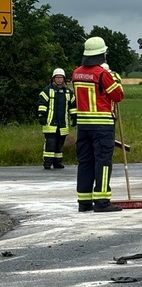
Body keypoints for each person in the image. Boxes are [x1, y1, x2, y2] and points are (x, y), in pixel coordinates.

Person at [73, 37, 125, 212]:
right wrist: (116, 80)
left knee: (85, 162)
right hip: (102, 125)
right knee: (102, 162)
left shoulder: (76, 73)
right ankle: (102, 201)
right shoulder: (103, 74)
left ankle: (84, 202)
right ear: (101, 54)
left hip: (83, 125)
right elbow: (117, 95)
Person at [37, 68, 77, 170]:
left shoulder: (68, 92)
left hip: (63, 124)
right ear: (53, 79)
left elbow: (72, 105)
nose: (59, 80)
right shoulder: (47, 90)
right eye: (57, 77)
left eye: (61, 77)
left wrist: (74, 116)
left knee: (59, 144)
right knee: (50, 144)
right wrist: (41, 115)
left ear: (64, 79)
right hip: (50, 123)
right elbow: (42, 104)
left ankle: (57, 162)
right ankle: (47, 163)